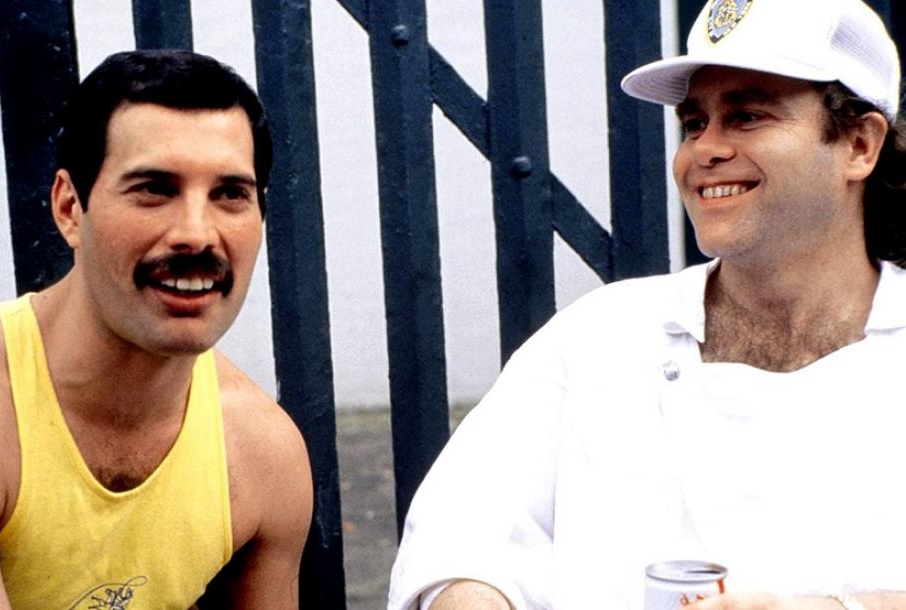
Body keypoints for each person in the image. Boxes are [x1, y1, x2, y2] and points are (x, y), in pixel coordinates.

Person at [388, 0, 906, 608]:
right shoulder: (600, 337)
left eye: (746, 116)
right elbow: (457, 537)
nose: (704, 151)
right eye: (694, 123)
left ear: (859, 144)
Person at [0, 50, 312, 609]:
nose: (197, 233)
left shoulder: (263, 454)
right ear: (69, 208)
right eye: (154, 189)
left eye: (230, 194)